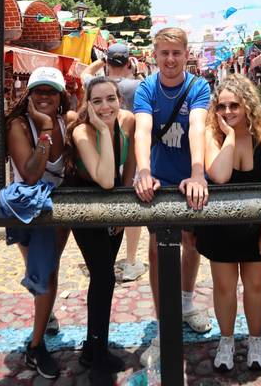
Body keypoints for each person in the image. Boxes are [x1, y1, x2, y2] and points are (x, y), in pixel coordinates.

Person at [133, 27, 212, 368]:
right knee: (156, 250)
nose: (169, 59)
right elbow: (142, 128)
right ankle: (164, 318)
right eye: (163, 53)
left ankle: (186, 301)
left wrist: (197, 172)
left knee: (191, 244)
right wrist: (142, 170)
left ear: (186, 53)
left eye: (175, 53)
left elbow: (197, 127)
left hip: (188, 176)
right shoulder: (146, 88)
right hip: (160, 178)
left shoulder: (198, 86)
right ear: (154, 54)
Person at [195, 76, 261, 372]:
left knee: (256, 285)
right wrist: (229, 137)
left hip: (257, 223)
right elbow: (218, 175)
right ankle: (227, 340)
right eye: (222, 106)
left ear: (247, 104)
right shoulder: (211, 134)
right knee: (223, 287)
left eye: (234, 105)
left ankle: (256, 341)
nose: (228, 111)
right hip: (219, 223)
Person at [63, 77, 136, 386]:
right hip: (85, 203)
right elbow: (104, 178)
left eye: (111, 99)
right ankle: (98, 355)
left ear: (119, 98)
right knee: (104, 275)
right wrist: (104, 131)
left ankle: (93, 349)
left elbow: (128, 166)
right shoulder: (82, 131)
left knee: (103, 279)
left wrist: (123, 205)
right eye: (97, 101)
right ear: (87, 104)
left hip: (111, 203)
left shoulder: (128, 120)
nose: (106, 106)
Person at [5, 66, 69, 380]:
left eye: (51, 91)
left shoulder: (67, 123)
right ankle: (40, 330)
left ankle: (38, 334)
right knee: (40, 273)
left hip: (57, 212)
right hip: (27, 210)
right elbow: (30, 173)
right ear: (29, 95)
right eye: (39, 91)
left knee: (47, 273)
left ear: (60, 97)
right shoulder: (19, 125)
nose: (44, 96)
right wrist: (43, 129)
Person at [82, 43, 146, 282]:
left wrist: (100, 61)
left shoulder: (93, 84)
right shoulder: (138, 85)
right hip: (128, 150)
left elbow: (83, 73)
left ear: (108, 62)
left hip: (100, 151)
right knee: (130, 206)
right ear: (128, 62)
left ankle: (102, 258)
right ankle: (130, 261)